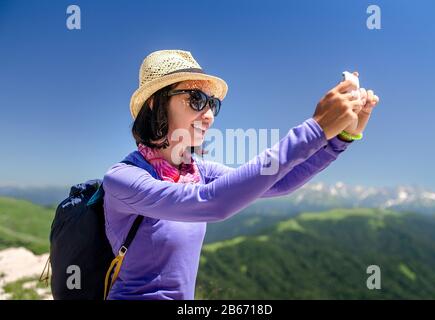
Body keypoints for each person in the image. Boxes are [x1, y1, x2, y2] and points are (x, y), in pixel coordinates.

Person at [102, 49, 379, 300]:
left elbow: (278, 182)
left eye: (213, 104)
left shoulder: (197, 171)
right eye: (196, 99)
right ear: (154, 104)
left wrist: (341, 137)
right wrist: (313, 130)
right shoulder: (123, 179)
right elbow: (212, 202)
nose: (209, 115)